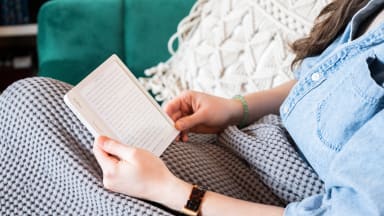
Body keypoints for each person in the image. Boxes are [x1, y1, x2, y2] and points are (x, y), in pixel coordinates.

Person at [0, 0, 383, 215]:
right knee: (31, 101)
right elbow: (320, 79)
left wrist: (170, 190)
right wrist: (237, 108)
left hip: (270, 197)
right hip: (247, 148)